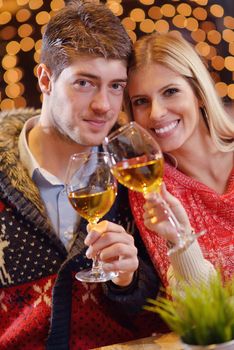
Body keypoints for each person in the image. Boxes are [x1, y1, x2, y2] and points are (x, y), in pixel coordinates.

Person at [0, 2, 161, 349]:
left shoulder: (135, 173)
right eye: (85, 83)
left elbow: (160, 309)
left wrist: (127, 281)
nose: (104, 105)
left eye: (116, 86)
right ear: (46, 79)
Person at [125, 32, 234, 289]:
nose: (157, 113)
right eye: (141, 101)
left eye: (170, 92)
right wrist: (181, 239)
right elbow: (194, 310)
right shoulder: (151, 189)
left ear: (197, 93)